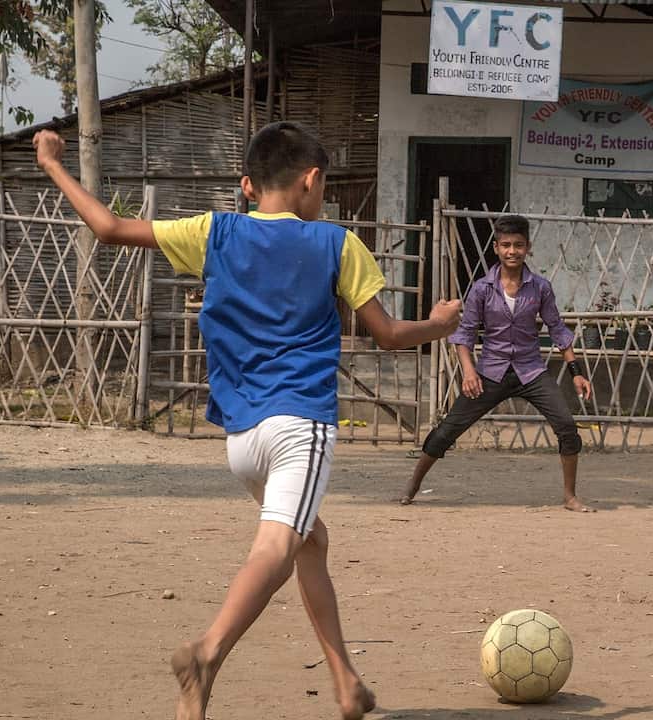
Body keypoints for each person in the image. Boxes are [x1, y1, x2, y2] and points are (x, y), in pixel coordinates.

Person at [32, 122, 462, 720]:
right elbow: (387, 335)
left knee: (312, 541)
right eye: (324, 186)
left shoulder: (214, 230)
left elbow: (107, 228)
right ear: (311, 181)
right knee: (279, 545)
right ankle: (207, 654)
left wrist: (53, 163)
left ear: (247, 185)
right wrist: (440, 325)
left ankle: (346, 683)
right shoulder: (336, 243)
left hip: (241, 437)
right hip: (300, 427)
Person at [400, 214, 595, 512]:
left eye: (518, 245)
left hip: (531, 371)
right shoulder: (481, 289)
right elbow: (463, 335)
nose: (512, 251)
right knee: (448, 429)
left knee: (567, 425)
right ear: (496, 247)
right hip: (490, 371)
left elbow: (558, 329)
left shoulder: (540, 287)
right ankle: (412, 487)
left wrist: (575, 373)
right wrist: (468, 371)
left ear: (528, 247)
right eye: (506, 245)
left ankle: (570, 496)